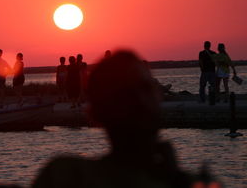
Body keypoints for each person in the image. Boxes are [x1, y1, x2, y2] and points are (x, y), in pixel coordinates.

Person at [33, 50, 206, 188]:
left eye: (146, 88)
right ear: (95, 112)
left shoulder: (64, 175)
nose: (140, 101)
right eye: (125, 94)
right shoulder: (66, 177)